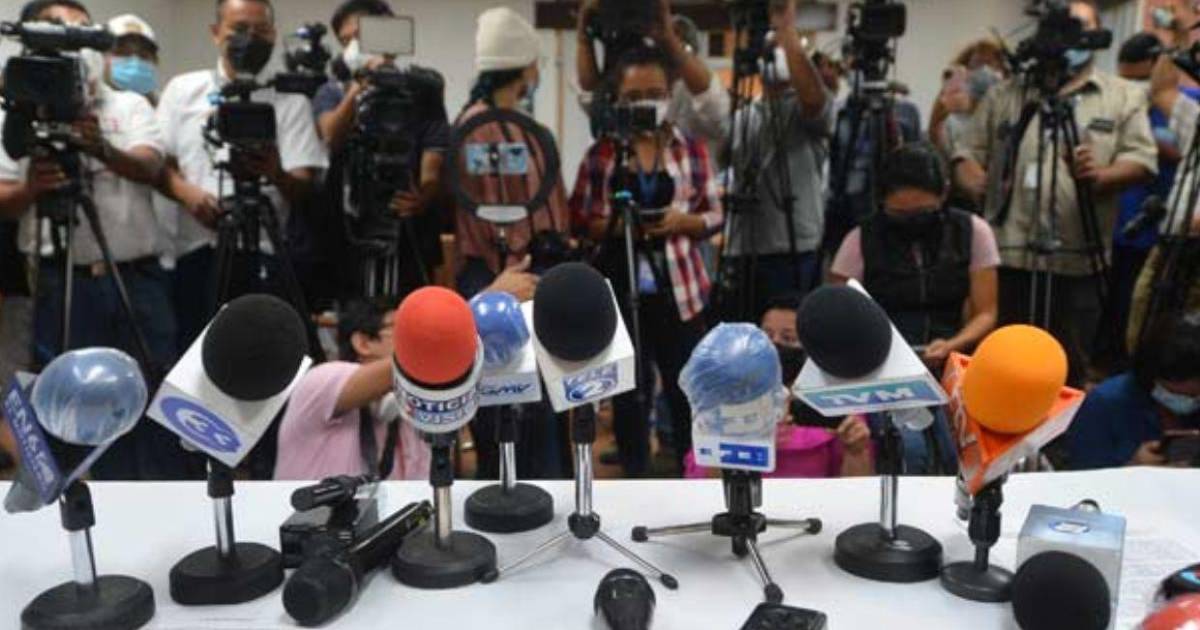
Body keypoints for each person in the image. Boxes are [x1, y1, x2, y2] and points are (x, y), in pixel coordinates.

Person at [0, 0, 193, 480]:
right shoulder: (14, 113)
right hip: (60, 280)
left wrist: (99, 147)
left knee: (153, 384)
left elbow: (150, 165)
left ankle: (164, 488)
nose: (71, 41)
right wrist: (31, 189)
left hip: (136, 277)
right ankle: (88, 491)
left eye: (81, 30)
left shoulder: (127, 104)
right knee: (68, 397)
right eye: (56, 29)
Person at [953, 0, 1157, 386]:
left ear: (1096, 36)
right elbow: (966, 152)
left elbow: (1142, 159)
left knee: (1069, 365)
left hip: (1078, 255)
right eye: (1059, 25)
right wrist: (975, 179)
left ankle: (1065, 425)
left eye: (1077, 26)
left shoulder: (1122, 95)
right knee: (1002, 361)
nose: (1066, 36)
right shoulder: (1007, 93)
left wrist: (1101, 175)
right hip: (1008, 253)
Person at [570, 45, 724, 476]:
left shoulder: (691, 149)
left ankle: (691, 472)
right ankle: (636, 474)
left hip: (681, 289)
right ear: (617, 99)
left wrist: (682, 221)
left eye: (655, 93)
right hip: (621, 287)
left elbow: (716, 213)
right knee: (628, 393)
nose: (645, 104)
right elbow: (578, 217)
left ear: (670, 93)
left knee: (686, 387)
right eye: (634, 96)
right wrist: (620, 226)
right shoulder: (603, 154)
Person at [157, 0, 329, 353]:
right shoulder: (183, 91)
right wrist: (188, 194)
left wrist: (274, 172)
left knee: (264, 355)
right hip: (197, 249)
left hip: (265, 249)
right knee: (195, 354)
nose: (250, 39)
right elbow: (160, 166)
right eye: (238, 29)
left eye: (260, 30)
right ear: (215, 32)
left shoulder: (290, 101)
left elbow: (303, 187)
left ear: (274, 35)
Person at [454, 7, 570, 481]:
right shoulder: (485, 129)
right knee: (520, 406)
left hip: (516, 273)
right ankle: (524, 492)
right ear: (525, 69)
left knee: (528, 406)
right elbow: (497, 209)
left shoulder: (492, 124)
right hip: (505, 277)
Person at [307, 0, 449, 303]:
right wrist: (360, 86)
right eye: (345, 41)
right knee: (357, 320)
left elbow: (434, 163)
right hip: (350, 230)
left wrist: (422, 196)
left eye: (360, 36)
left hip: (409, 234)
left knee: (413, 316)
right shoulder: (332, 91)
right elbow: (331, 136)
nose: (353, 47)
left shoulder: (422, 91)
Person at [831, 142, 999, 366]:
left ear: (944, 193)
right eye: (899, 213)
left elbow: (986, 313)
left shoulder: (973, 231)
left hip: (952, 352)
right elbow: (839, 312)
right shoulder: (860, 238)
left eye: (923, 212)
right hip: (881, 357)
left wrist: (953, 344)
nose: (912, 222)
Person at [722, 0, 833, 320]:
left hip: (793, 248)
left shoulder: (810, 110)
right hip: (743, 247)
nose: (777, 54)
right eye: (771, 48)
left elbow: (813, 99)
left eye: (782, 48)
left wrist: (786, 31)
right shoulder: (744, 115)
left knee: (791, 332)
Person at [685, 294, 873, 479]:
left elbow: (856, 488)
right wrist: (744, 446)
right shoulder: (728, 396)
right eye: (766, 337)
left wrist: (856, 451)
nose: (774, 345)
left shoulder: (836, 400)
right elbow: (702, 485)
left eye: (788, 338)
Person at [1103, 32, 1190, 366]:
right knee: (1115, 302)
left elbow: (1178, 148)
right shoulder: (1119, 103)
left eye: (1139, 80)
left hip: (1165, 229)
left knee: (1145, 310)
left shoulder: (1183, 103)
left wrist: (1146, 134)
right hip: (1121, 221)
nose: (1133, 88)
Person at [275, 297, 429, 480]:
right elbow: (400, 368)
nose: (415, 339)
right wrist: (440, 350)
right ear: (363, 343)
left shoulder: (411, 407)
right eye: (403, 329)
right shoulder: (320, 380)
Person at [576, 0, 730, 150]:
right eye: (634, 96)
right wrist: (584, 38)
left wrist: (669, 39)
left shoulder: (687, 92)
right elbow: (592, 97)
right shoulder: (624, 92)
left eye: (654, 94)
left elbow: (715, 107)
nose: (644, 101)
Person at [1068, 311, 1200, 470]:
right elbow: (1083, 475)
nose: (1192, 401)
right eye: (1180, 394)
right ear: (1152, 379)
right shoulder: (1104, 405)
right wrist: (1131, 467)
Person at [105, 14, 161, 104]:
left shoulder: (165, 106)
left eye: (143, 55)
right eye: (123, 53)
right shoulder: (87, 106)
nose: (135, 62)